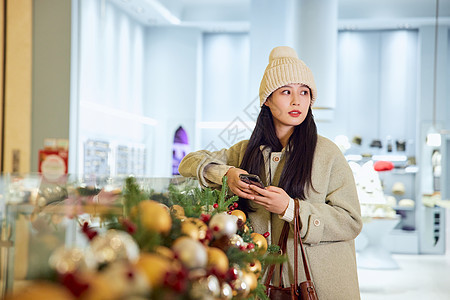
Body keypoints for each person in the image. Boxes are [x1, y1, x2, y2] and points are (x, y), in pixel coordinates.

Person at [179, 46, 362, 299]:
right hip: (260, 285)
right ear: (267, 99)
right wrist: (226, 174)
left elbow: (351, 221)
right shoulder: (245, 152)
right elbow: (190, 162)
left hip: (318, 286)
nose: (297, 100)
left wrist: (291, 208)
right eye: (286, 91)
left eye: (304, 92)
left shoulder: (328, 154)